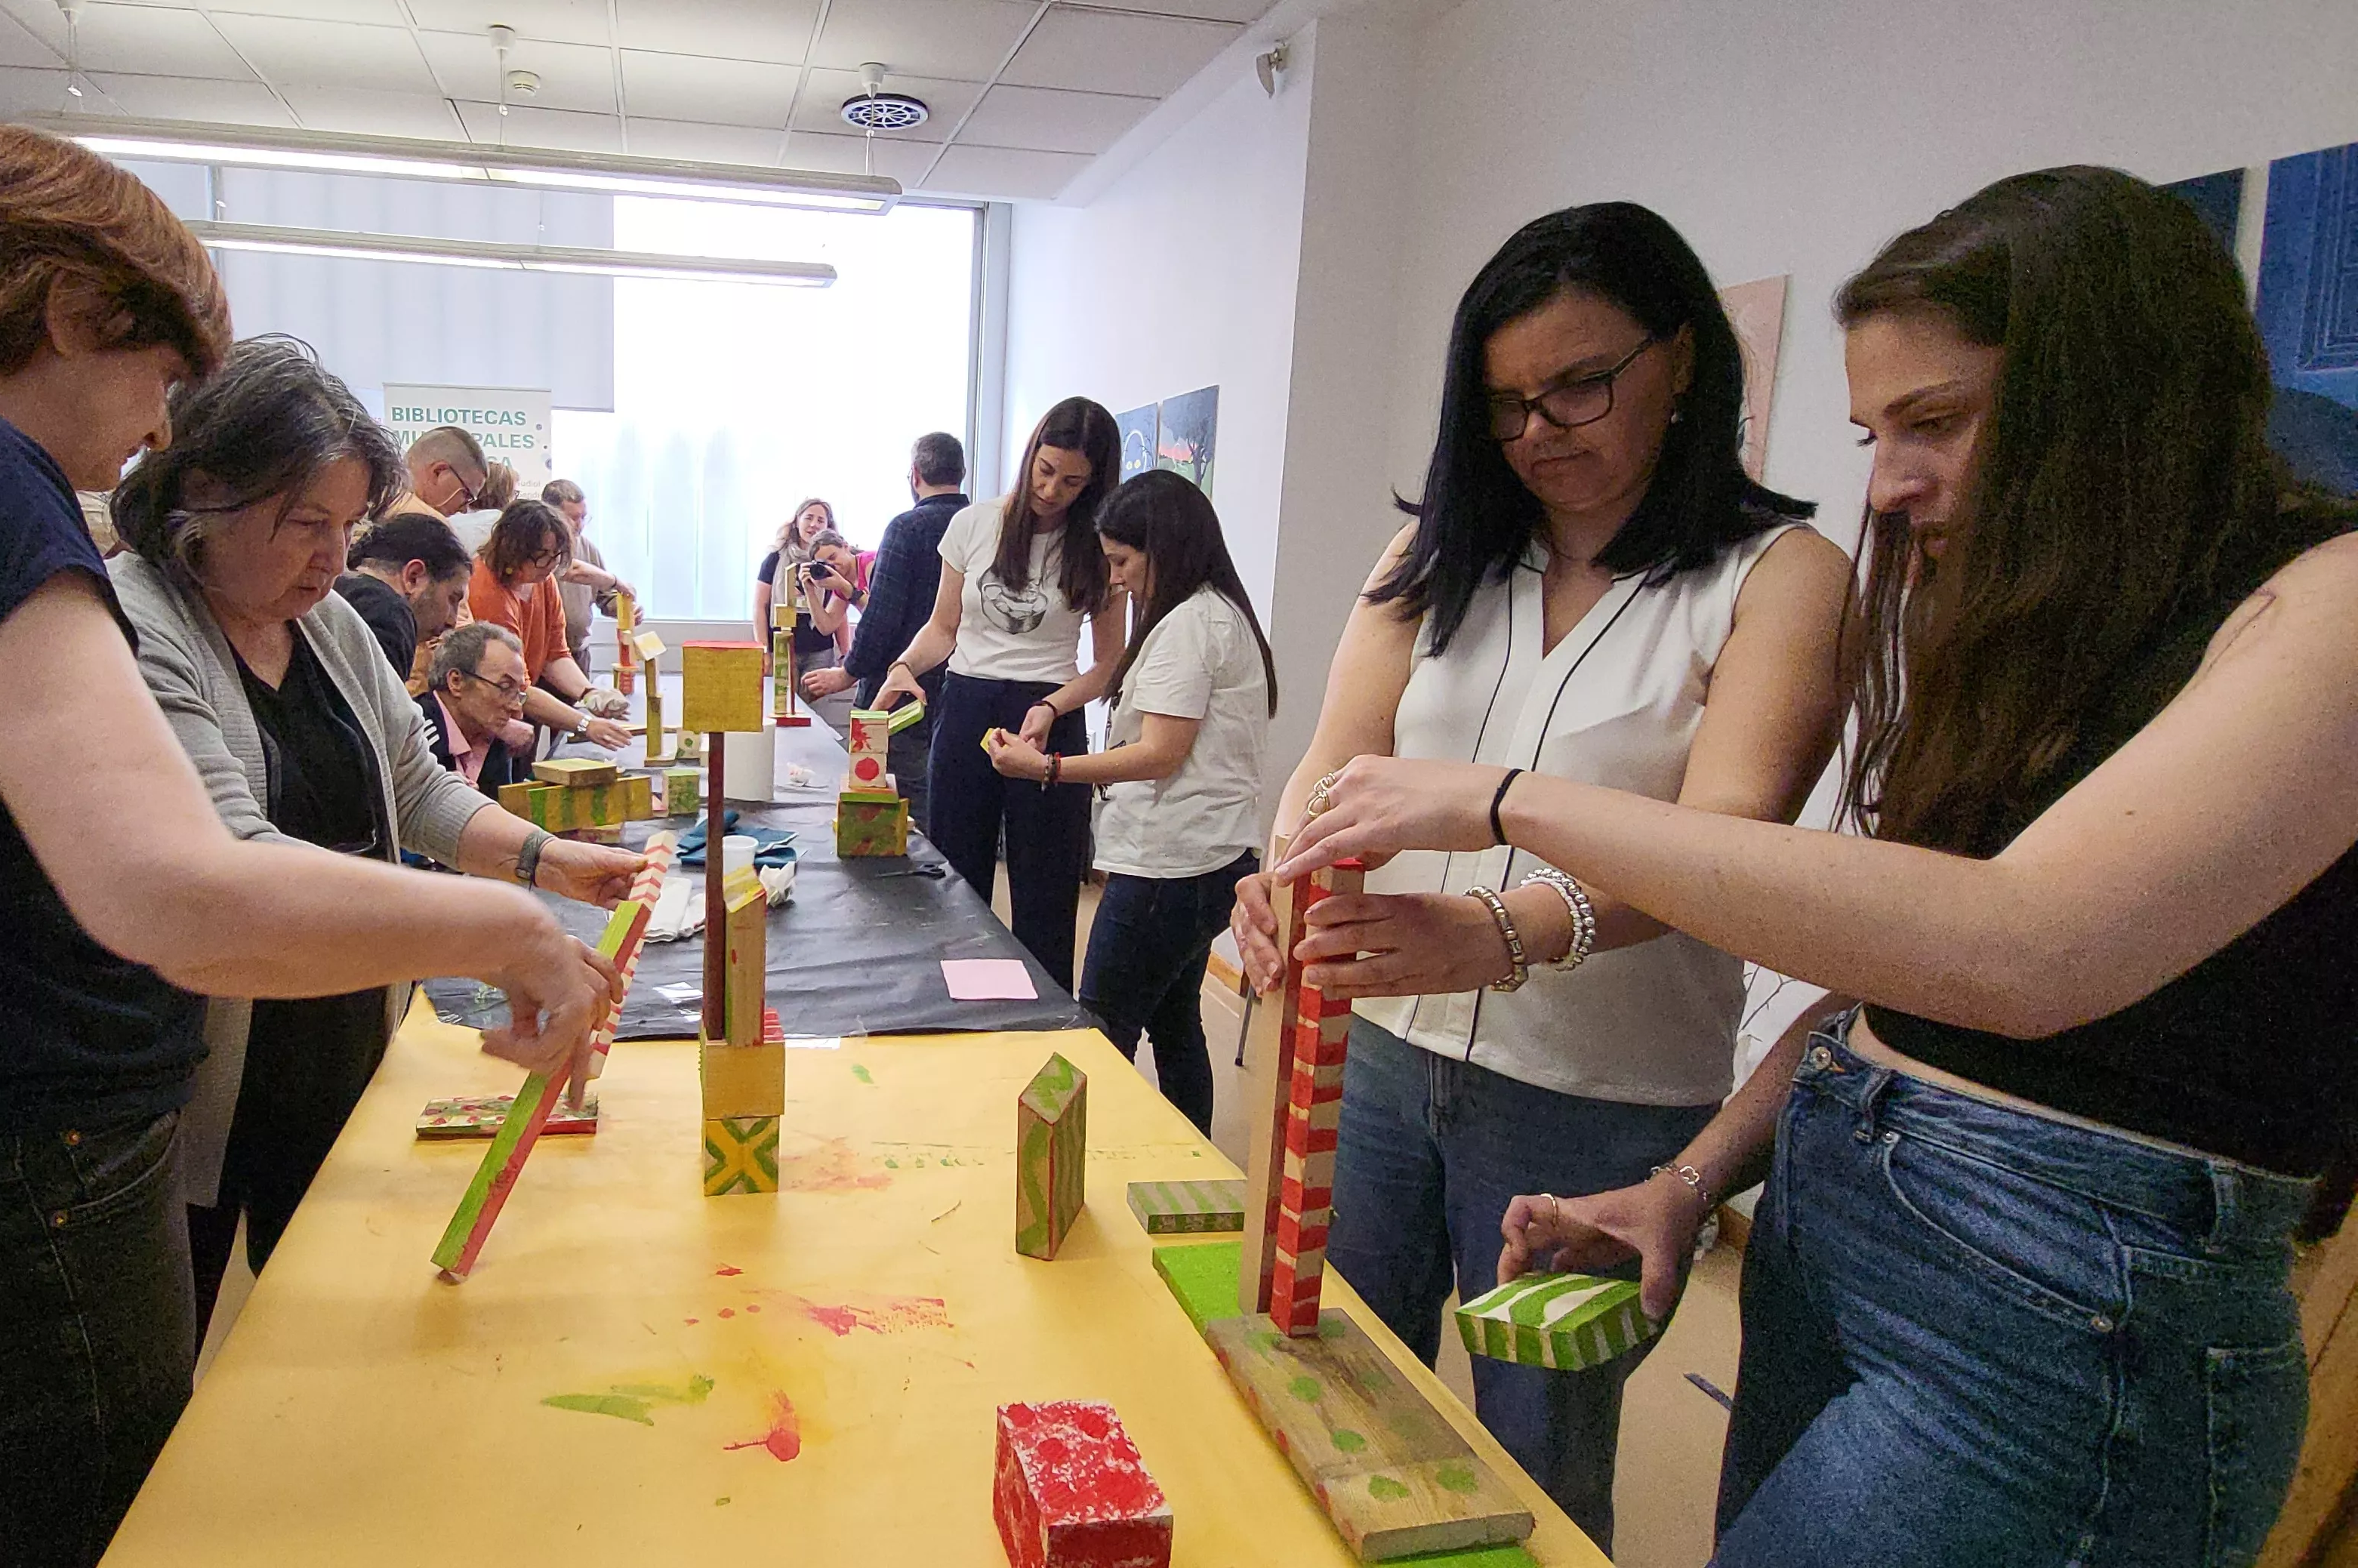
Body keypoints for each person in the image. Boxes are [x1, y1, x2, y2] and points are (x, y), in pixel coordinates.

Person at [1274, 167, 2358, 1568]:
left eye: (1938, 422)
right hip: (1836, 1202)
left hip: (2051, 1291)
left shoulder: (2313, 598)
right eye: (1873, 430)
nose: (1890, 485)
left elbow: (2014, 945)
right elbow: (1884, 985)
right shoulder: (2042, 626)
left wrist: (1506, 815)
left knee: (1532, 1459)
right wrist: (1702, 1173)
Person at [0, 124, 623, 1568]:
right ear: (66, 313)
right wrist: (507, 931)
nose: (149, 438)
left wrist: (519, 878)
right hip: (12, 1182)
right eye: (159, 383)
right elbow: (176, 887)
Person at [1228, 202, 1851, 1548]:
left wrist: (1500, 929)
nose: (1541, 433)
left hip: (1597, 1097)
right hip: (1382, 1054)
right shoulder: (1436, 558)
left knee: (1533, 1464)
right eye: (1507, 403)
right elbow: (1339, 760)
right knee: (1326, 1380)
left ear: (1681, 359)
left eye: (1580, 385)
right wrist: (1286, 869)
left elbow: (1727, 850)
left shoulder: (1777, 578)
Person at [106, 337, 643, 1341]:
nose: (330, 554)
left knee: (316, 1314)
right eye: (304, 522)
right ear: (204, 497)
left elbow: (416, 785)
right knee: (161, 1357)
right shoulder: (136, 627)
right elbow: (239, 865)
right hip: (196, 1075)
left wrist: (543, 859)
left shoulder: (326, 623)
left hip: (334, 1033)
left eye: (345, 524)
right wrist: (496, 930)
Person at [986, 470, 1271, 1135]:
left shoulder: (1189, 626)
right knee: (1176, 1022)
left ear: (1163, 548)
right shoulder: (1207, 614)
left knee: (1102, 1027)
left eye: (1121, 561)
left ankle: (1090, 1169)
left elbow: (1158, 753)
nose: (1114, 579)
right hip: (1202, 857)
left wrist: (1046, 767)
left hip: (1169, 866)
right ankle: (1185, 1162)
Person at [874, 398, 1130, 990]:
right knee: (955, 879)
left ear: (1094, 481)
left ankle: (1037, 1023)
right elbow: (943, 628)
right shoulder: (974, 523)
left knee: (1045, 888)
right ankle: (954, 1009)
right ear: (1029, 456)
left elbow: (1109, 665)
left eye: (1071, 481)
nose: (1050, 489)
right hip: (967, 707)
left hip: (1050, 715)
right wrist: (901, 666)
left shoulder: (1098, 544)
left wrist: (1051, 705)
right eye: (1044, 470)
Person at [840, 432, 969, 832]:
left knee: (890, 801)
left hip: (900, 690)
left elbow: (882, 616)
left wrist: (849, 671)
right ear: (962, 473)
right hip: (963, 689)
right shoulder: (984, 526)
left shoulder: (907, 529)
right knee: (949, 802)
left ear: (914, 476)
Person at [465, 497, 634, 752]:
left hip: (516, 705)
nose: (552, 564)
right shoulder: (487, 591)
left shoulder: (542, 579)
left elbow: (555, 655)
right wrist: (585, 724)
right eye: (542, 556)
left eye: (557, 555)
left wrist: (589, 693)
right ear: (513, 549)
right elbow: (516, 687)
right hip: (487, 718)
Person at [756, 498, 856, 728]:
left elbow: (839, 610)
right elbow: (760, 607)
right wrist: (763, 650)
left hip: (819, 649)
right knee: (782, 710)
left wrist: (845, 653)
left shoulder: (832, 563)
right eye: (809, 518)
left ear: (828, 526)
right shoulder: (775, 558)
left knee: (814, 716)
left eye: (820, 520)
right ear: (797, 521)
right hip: (782, 647)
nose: (813, 524)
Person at [336, 511, 470, 682]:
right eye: (452, 599)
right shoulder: (389, 614)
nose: (452, 621)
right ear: (414, 577)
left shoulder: (335, 590)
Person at [543, 477, 636, 675]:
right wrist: (616, 581)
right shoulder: (539, 549)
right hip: (543, 655)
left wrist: (626, 610)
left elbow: (606, 597)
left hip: (579, 652)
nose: (580, 525)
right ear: (550, 515)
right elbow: (573, 570)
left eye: (583, 517)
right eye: (573, 518)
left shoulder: (588, 549)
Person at [429, 620, 535, 791]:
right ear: (456, 682)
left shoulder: (495, 738)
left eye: (518, 693)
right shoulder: (416, 742)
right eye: (505, 688)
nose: (517, 709)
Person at [393, 427, 511, 554]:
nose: (464, 509)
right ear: (439, 472)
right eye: (466, 495)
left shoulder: (377, 507)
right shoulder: (429, 532)